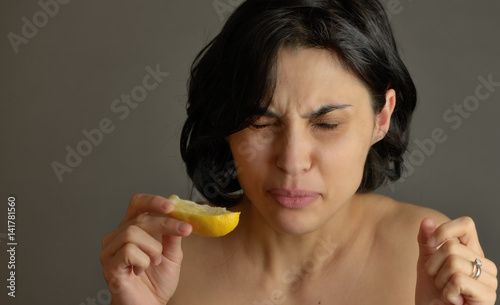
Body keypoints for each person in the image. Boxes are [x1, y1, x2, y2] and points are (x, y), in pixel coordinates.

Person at [100, 0, 498, 304]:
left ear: (382, 118)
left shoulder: (428, 254)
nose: (292, 161)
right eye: (261, 123)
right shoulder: (167, 266)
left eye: (326, 124)